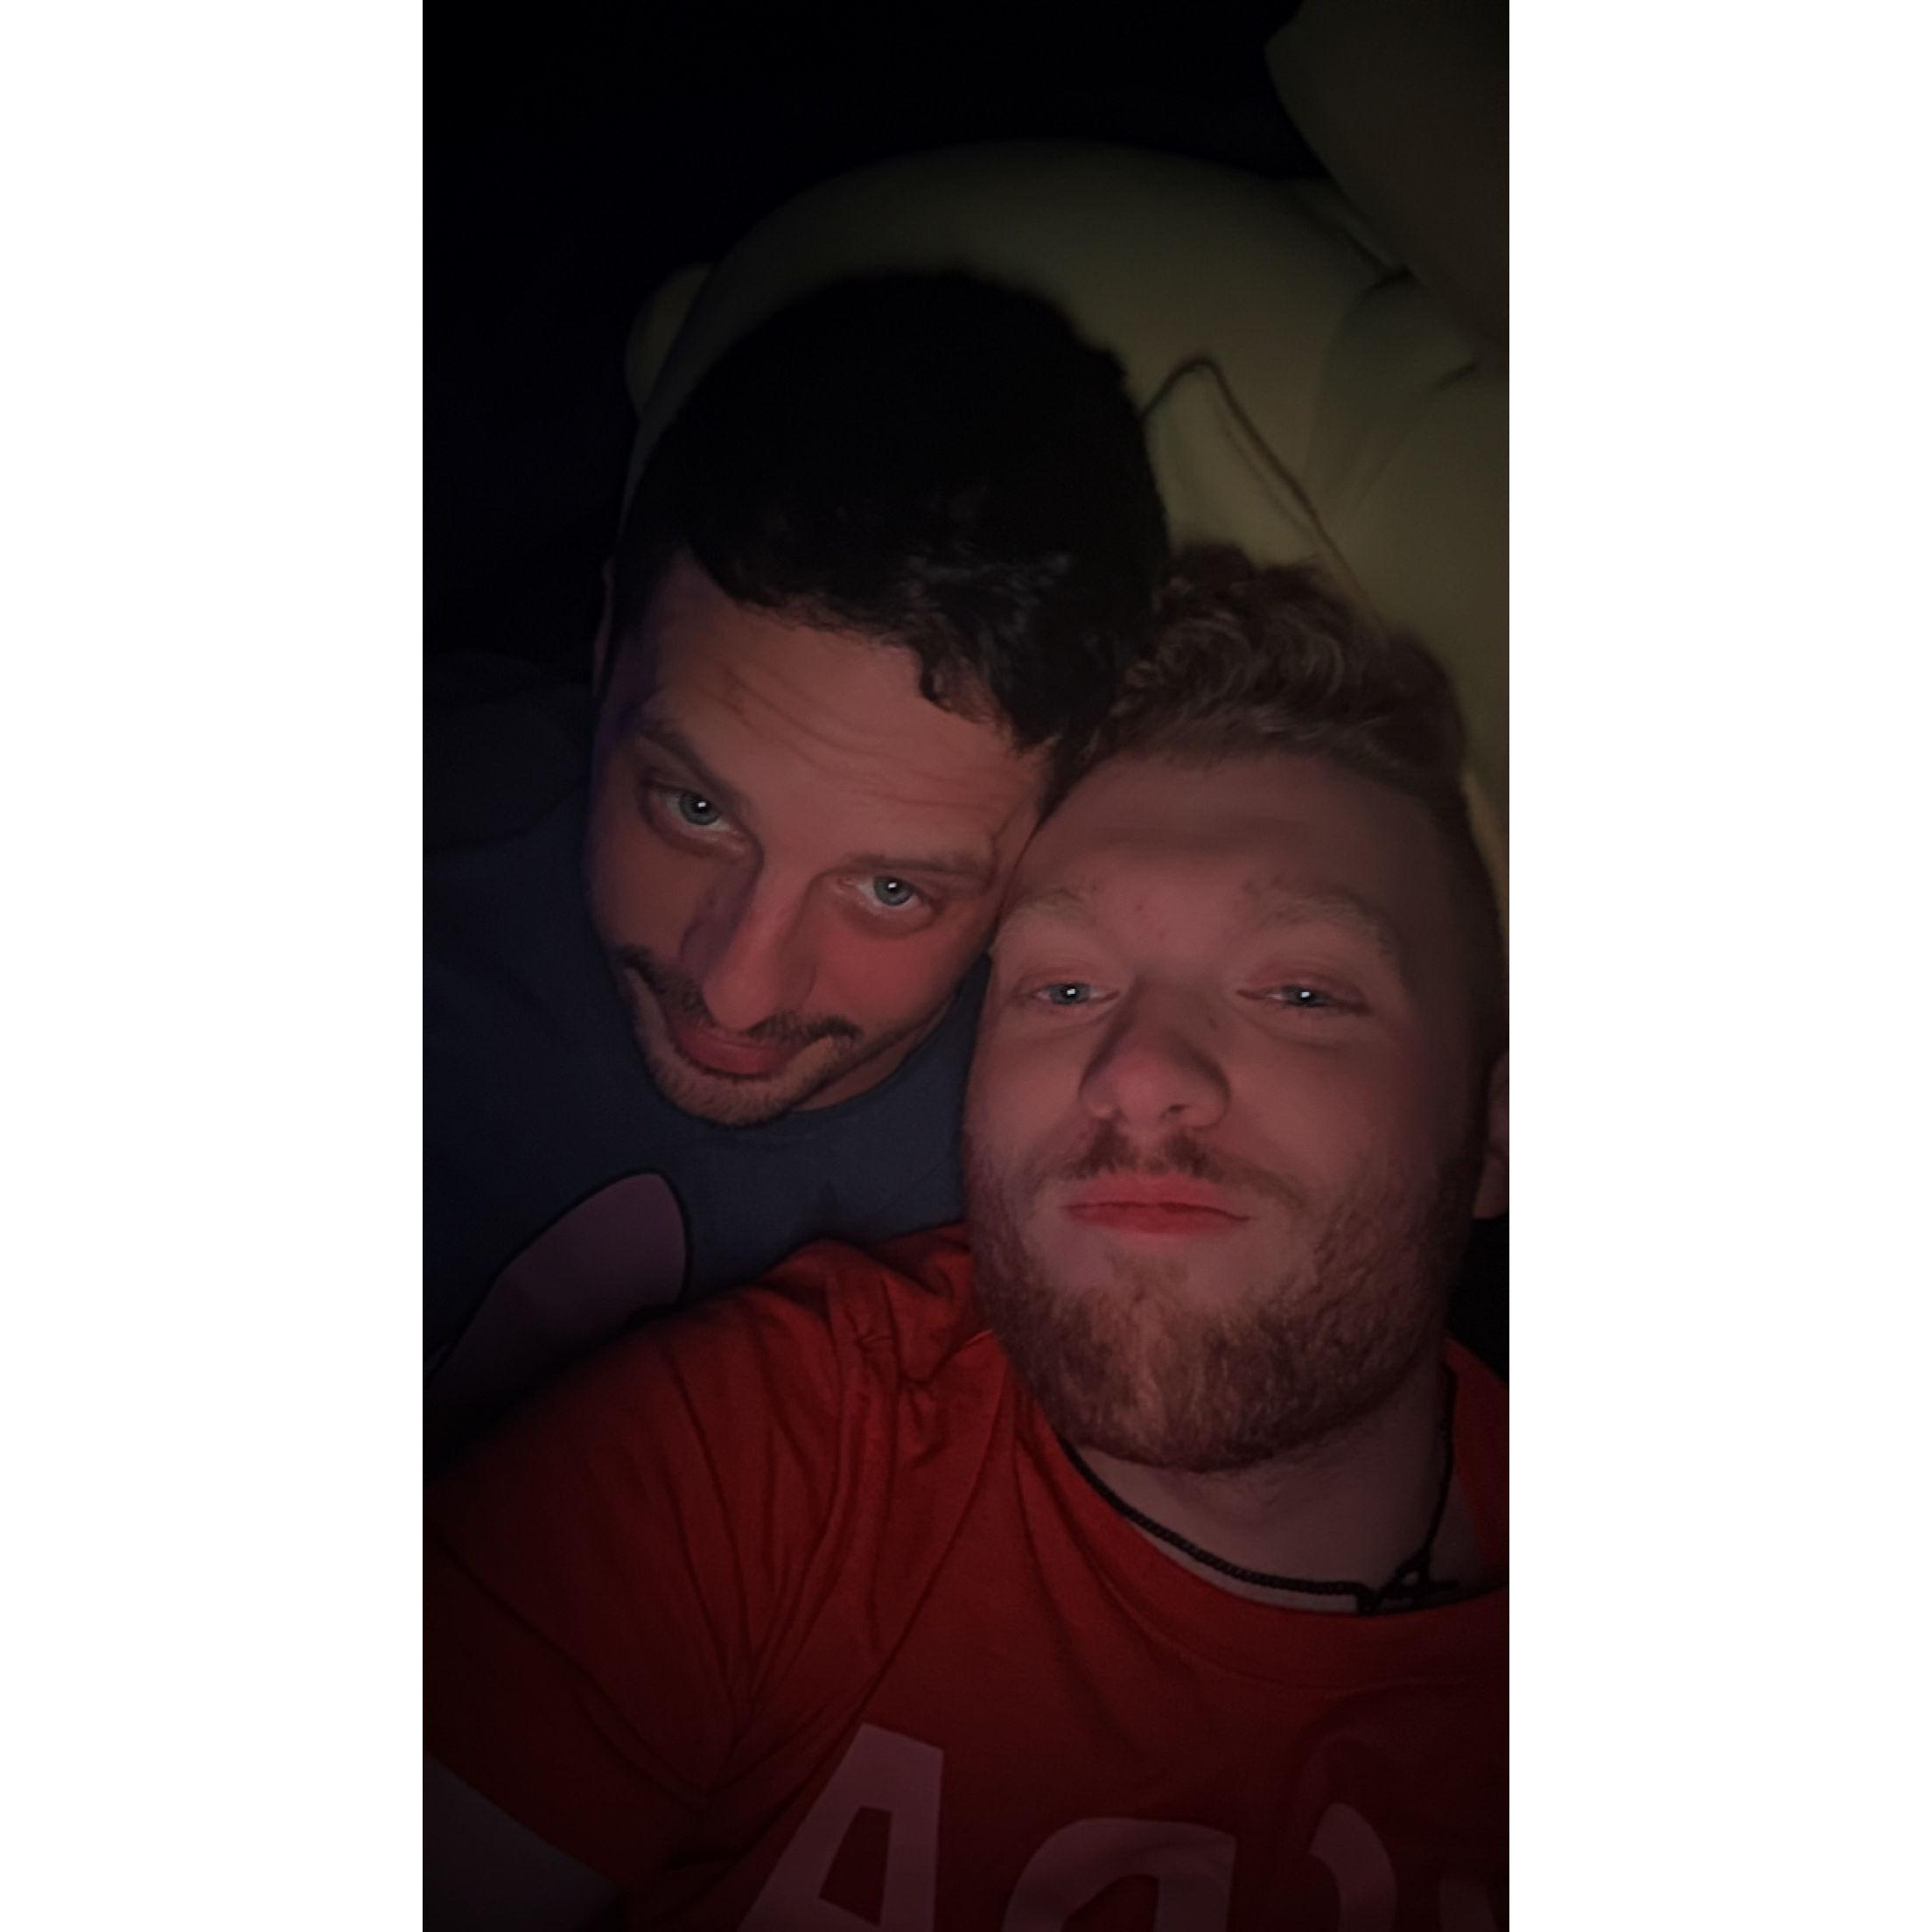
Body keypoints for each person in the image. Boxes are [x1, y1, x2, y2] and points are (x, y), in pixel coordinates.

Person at [424, 546, 1510, 1928]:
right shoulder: (747, 1472)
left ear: (1497, 1130)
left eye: (1300, 991)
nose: (1139, 1072)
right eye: (1062, 986)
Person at [424, 273, 1168, 1438]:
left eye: (890, 889)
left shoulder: (1065, 1213)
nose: (734, 990)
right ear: (609, 640)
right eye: (694, 810)